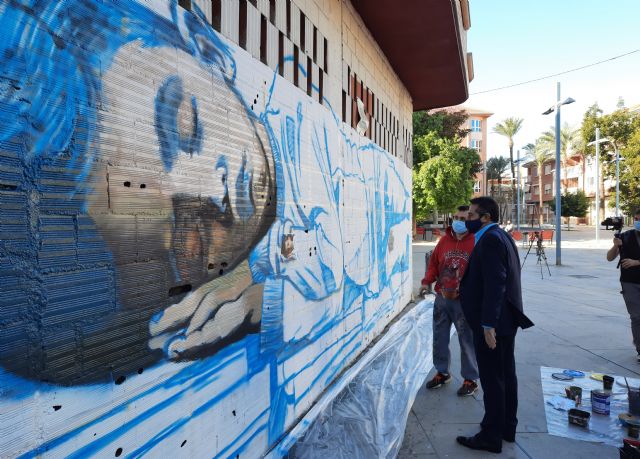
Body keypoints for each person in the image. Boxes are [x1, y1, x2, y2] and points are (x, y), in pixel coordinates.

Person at [456, 197, 534, 454]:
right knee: (505, 376)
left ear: (486, 217)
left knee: (492, 379)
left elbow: (496, 284)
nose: (466, 221)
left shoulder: (490, 240)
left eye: (471, 216)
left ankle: (490, 436)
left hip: (494, 325)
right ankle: (505, 427)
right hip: (506, 322)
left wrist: (488, 324)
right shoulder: (502, 237)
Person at [421, 206, 479, 396]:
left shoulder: (476, 241)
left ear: (469, 220)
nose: (458, 221)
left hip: (464, 302)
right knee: (439, 337)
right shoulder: (444, 241)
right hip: (442, 298)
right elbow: (433, 265)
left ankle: (470, 379)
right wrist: (426, 281)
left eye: (462, 218)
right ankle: (442, 372)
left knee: (466, 340)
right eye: (455, 217)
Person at [607, 209, 640, 361]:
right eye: (636, 218)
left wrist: (636, 262)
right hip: (629, 282)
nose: (637, 222)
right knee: (636, 316)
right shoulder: (625, 236)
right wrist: (616, 246)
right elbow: (609, 258)